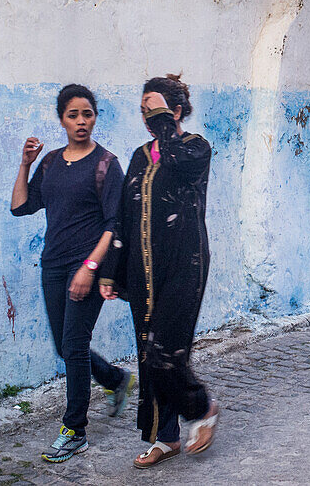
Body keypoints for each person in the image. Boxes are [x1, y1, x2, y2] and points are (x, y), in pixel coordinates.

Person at [11, 84, 135, 463]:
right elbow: (20, 207)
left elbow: (115, 225)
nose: (81, 122)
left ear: (95, 117)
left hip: (88, 267)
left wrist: (90, 268)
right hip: (53, 265)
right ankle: (116, 380)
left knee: (75, 346)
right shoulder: (49, 163)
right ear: (61, 119)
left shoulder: (106, 164)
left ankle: (75, 430)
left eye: (88, 114)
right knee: (65, 348)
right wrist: (25, 163)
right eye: (73, 115)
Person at [99, 74, 217, 469]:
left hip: (185, 265)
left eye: (155, 109)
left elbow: (178, 162)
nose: (148, 117)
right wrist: (112, 273)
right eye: (144, 110)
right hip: (143, 271)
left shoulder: (195, 148)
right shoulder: (138, 156)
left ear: (176, 111)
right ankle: (164, 437)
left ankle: (202, 408)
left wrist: (166, 123)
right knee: (148, 356)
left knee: (166, 353)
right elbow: (125, 215)